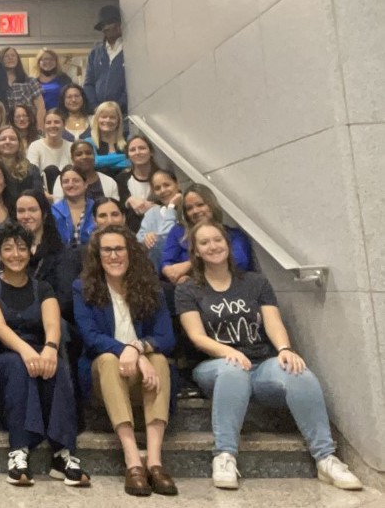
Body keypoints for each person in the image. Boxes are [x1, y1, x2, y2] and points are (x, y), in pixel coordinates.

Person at [177, 220, 362, 491]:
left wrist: (285, 350)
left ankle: (326, 458)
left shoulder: (255, 282)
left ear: (227, 244)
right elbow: (196, 336)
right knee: (233, 369)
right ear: (196, 251)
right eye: (204, 242)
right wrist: (229, 351)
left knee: (298, 372)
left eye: (217, 240)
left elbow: (272, 322)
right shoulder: (188, 288)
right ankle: (225, 455)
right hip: (214, 367)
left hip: (260, 364)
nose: (213, 246)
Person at [0, 222, 90, 488]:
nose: (16, 254)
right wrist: (28, 352)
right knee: (18, 365)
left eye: (22, 248)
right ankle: (19, 450)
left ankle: (64, 453)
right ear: (0, 254)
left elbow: (52, 325)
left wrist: (49, 349)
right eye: (8, 249)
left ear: (31, 251)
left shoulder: (43, 288)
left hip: (36, 357)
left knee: (58, 365)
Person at [74, 226, 177, 496]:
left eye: (119, 249)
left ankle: (154, 462)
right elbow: (91, 337)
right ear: (98, 256)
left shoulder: (149, 286)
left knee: (160, 361)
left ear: (130, 252)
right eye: (107, 250)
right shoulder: (82, 288)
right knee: (108, 359)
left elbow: (166, 336)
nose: (114, 255)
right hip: (106, 377)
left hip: (144, 377)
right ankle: (133, 461)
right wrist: (127, 352)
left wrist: (139, 348)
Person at [161, 184, 254, 286]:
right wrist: (178, 277)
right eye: (189, 208)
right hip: (190, 290)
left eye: (200, 205)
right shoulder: (178, 232)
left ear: (212, 205)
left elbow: (239, 262)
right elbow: (167, 263)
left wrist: (190, 264)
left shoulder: (233, 235)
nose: (195, 211)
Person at [15, 190, 81, 319]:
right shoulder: (9, 253)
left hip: (52, 320)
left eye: (32, 210)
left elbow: (65, 298)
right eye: (21, 211)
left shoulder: (63, 253)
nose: (26, 216)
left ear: (44, 214)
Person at [83, 5, 127, 115]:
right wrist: (96, 107)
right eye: (103, 25)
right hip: (99, 115)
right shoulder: (95, 53)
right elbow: (88, 84)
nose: (106, 28)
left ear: (119, 24)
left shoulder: (130, 50)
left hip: (125, 114)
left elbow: (133, 83)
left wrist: (118, 106)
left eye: (110, 23)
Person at [136, 170, 182, 268]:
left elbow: (168, 236)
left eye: (167, 185)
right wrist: (146, 239)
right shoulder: (152, 213)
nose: (163, 190)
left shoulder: (190, 208)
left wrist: (171, 207)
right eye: (157, 188)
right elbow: (137, 241)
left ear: (177, 184)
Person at [51, 138, 120, 201]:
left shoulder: (109, 182)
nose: (84, 157)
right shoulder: (62, 180)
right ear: (72, 158)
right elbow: (58, 207)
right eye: (79, 154)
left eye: (88, 153)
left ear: (94, 156)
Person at [116, 135, 158, 234]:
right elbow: (119, 209)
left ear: (151, 152)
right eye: (132, 150)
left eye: (142, 148)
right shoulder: (121, 179)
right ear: (128, 155)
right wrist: (128, 201)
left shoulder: (164, 177)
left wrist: (154, 207)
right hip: (131, 235)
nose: (137, 152)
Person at [27, 109, 73, 193]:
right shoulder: (35, 146)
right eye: (48, 123)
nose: (52, 125)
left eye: (56, 122)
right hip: (43, 194)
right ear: (44, 126)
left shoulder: (72, 147)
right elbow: (32, 176)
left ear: (64, 124)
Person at [52, 165, 96, 248]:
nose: (70, 185)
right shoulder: (53, 211)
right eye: (66, 181)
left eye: (76, 181)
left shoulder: (97, 209)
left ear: (85, 184)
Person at [0, 46, 45, 126]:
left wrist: (40, 128)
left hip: (29, 127)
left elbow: (40, 108)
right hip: (5, 128)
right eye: (6, 56)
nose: (10, 58)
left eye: (13, 55)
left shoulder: (30, 82)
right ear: (0, 59)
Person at [0, 125, 44, 195]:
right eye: (3, 139)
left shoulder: (32, 170)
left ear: (19, 144)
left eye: (12, 139)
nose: (7, 142)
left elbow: (38, 197)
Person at [86, 101, 130, 176]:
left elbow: (133, 161)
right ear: (97, 119)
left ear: (118, 120)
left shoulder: (128, 140)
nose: (107, 120)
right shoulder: (88, 142)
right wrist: (126, 157)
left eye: (112, 117)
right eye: (103, 117)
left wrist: (103, 163)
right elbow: (94, 162)